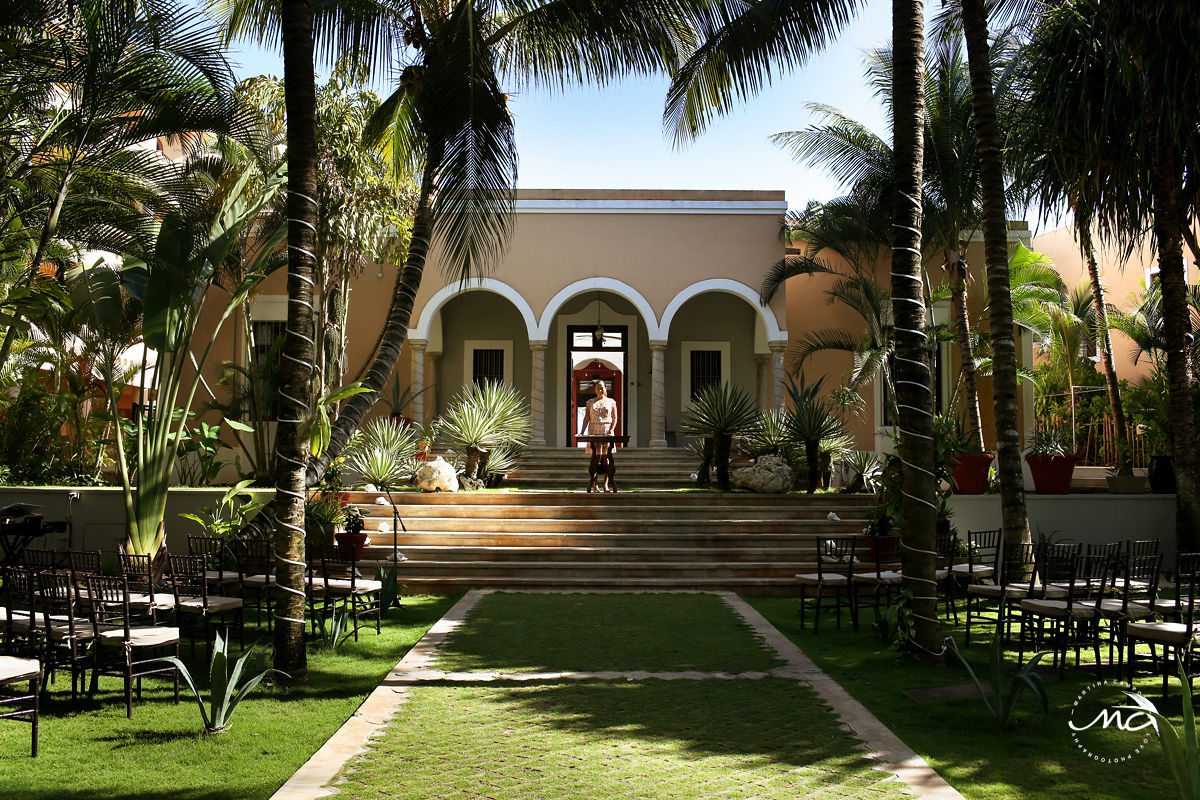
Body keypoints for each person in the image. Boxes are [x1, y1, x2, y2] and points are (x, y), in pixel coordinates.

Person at [580, 380, 618, 491]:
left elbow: (615, 418)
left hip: (607, 430)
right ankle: (595, 484)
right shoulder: (590, 402)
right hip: (594, 430)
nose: (600, 390)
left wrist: (611, 429)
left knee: (607, 459)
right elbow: (586, 417)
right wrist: (582, 432)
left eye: (602, 388)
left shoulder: (611, 402)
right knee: (595, 458)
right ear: (595, 390)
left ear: (606, 388)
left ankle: (606, 484)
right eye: (597, 388)